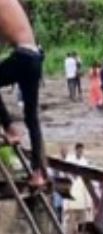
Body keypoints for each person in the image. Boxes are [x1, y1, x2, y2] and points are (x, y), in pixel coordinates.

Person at [0, 1, 46, 187]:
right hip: (35, 56)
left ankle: (10, 128)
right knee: (31, 117)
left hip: (23, 56)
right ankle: (38, 173)